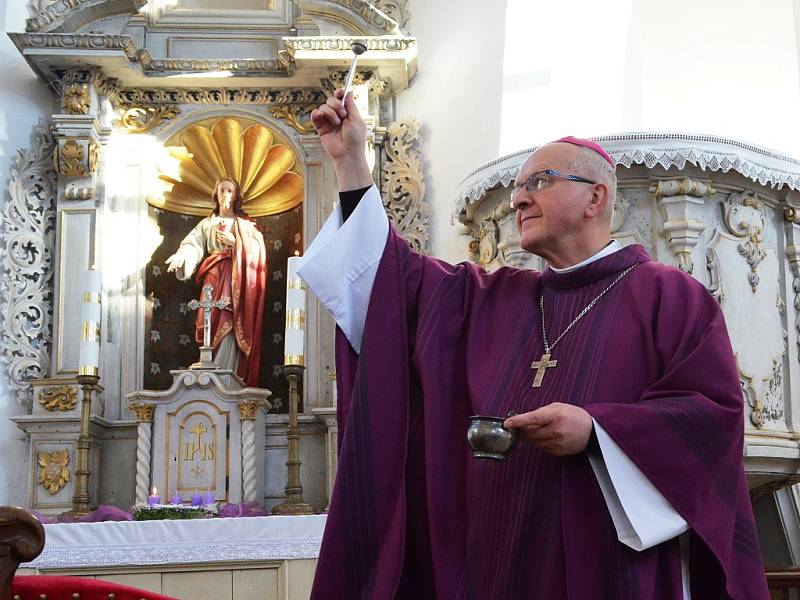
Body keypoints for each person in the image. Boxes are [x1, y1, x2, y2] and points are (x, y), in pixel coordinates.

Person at [297, 89, 770, 599]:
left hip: (607, 565)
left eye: (541, 182)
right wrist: (351, 164)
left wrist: (597, 432)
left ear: (596, 198)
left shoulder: (668, 295)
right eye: (518, 187)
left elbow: (711, 418)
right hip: (496, 558)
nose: (519, 198)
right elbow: (391, 286)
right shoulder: (489, 298)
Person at [165, 177, 267, 387]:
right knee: (208, 315)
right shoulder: (208, 223)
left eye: (229, 190)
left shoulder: (246, 226)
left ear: (236, 195)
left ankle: (227, 373)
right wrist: (182, 257)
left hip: (234, 275)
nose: (225, 195)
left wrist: (236, 243)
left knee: (229, 315)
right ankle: (210, 367)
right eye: (221, 190)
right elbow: (193, 243)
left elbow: (258, 251)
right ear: (216, 194)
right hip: (213, 273)